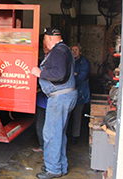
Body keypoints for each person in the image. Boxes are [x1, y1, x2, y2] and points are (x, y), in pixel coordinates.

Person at [31, 28, 77, 179]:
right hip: (65, 95)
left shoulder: (57, 51)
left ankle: (53, 170)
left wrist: (39, 73)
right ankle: (60, 166)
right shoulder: (65, 49)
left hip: (59, 97)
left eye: (44, 39)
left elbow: (59, 74)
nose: (43, 42)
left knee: (51, 133)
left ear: (50, 39)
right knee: (59, 133)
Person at [69, 43, 91, 145]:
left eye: (76, 50)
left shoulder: (84, 62)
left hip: (80, 93)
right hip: (69, 93)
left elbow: (81, 77)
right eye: (72, 50)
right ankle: (66, 134)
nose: (74, 52)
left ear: (80, 52)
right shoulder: (68, 60)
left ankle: (75, 136)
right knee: (67, 115)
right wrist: (74, 74)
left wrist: (71, 78)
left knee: (77, 116)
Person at [32, 44, 50, 153]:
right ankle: (42, 146)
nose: (45, 47)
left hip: (51, 100)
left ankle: (48, 151)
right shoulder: (41, 59)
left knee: (50, 128)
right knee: (39, 125)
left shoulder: (54, 60)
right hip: (41, 101)